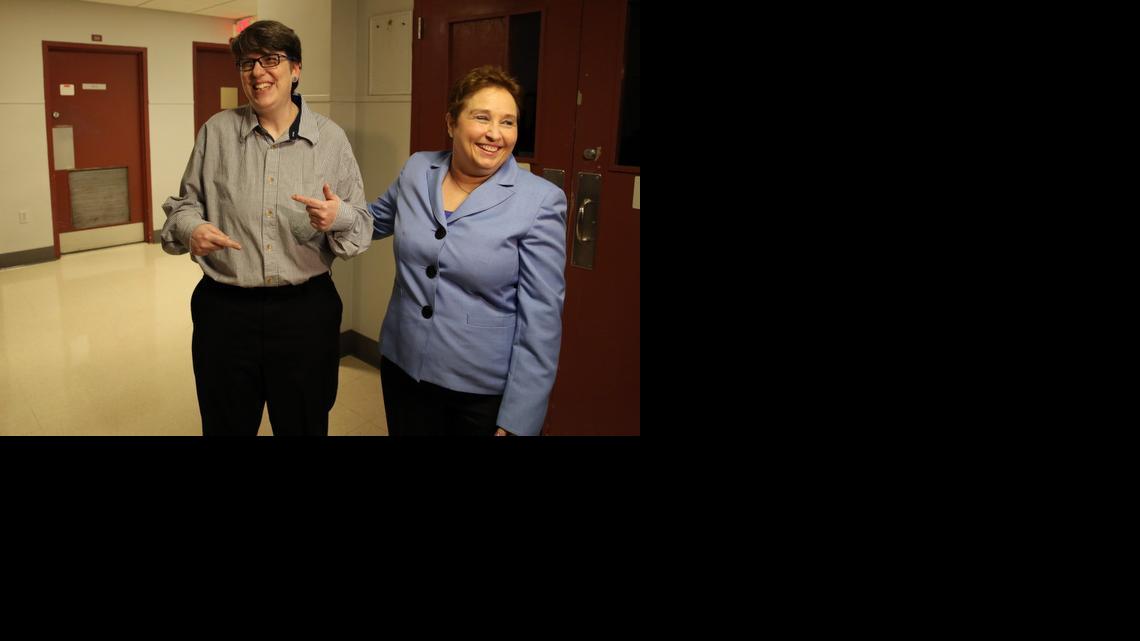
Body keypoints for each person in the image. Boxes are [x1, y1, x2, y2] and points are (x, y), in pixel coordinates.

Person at [160, 20, 371, 435]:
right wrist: (192, 228)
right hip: (225, 313)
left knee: (304, 425)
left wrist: (338, 217)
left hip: (305, 314)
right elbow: (182, 206)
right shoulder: (216, 132)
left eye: (271, 60)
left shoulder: (331, 140)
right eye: (246, 63)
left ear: (296, 69)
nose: (257, 73)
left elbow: (362, 226)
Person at [368, 66, 568, 436]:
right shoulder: (417, 169)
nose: (495, 133)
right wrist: (332, 216)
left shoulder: (540, 200)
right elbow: (374, 220)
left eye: (508, 122)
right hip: (404, 369)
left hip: (480, 391)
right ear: (451, 123)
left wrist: (519, 418)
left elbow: (541, 319)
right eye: (482, 117)